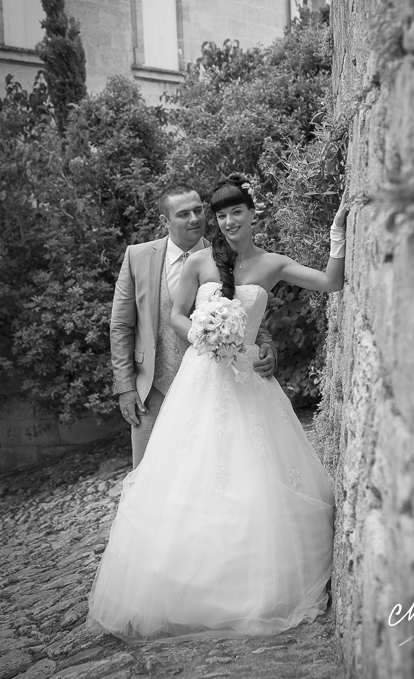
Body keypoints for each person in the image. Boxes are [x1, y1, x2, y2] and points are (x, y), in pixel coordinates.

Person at [88, 174, 349, 642]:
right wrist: (203, 334)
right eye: (222, 214)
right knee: (192, 474)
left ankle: (256, 587)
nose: (228, 221)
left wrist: (337, 234)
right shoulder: (201, 261)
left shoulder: (272, 264)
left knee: (252, 474)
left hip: (248, 382)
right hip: (201, 378)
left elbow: (331, 282)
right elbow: (176, 313)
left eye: (236, 212)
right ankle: (185, 586)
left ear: (252, 213)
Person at [110, 183, 277, 467]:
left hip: (213, 386)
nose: (195, 219)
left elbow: (244, 310)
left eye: (198, 210)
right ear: (164, 220)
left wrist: (267, 345)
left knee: (208, 472)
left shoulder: (225, 256)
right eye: (183, 214)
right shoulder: (137, 256)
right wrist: (125, 386)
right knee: (149, 473)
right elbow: (121, 325)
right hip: (152, 387)